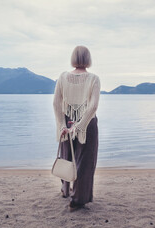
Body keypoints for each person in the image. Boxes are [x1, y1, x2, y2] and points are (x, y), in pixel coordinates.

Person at [53, 45, 101, 211]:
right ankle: (78, 199)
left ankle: (65, 190)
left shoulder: (63, 77)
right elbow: (93, 106)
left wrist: (62, 126)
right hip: (87, 123)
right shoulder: (94, 78)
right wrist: (79, 126)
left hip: (68, 121)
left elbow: (56, 103)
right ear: (88, 59)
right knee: (85, 162)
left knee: (66, 157)